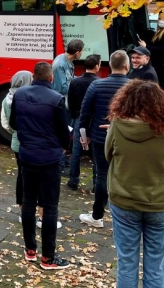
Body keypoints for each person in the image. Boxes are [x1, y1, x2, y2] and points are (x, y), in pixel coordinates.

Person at [106, 79, 164, 288]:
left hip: (124, 201)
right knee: (156, 267)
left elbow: (107, 154)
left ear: (126, 100)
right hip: (161, 202)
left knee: (127, 262)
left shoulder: (117, 125)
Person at [9, 62, 72, 270]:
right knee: (50, 206)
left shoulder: (19, 95)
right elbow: (64, 132)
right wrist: (65, 147)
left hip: (27, 155)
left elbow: (14, 124)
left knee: (28, 202)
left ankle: (30, 250)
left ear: (33, 76)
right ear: (51, 78)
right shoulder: (56, 99)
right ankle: (48, 258)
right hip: (50, 158)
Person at [78, 49, 130, 228]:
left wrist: (84, 137)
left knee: (102, 175)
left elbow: (85, 114)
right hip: (127, 138)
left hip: (101, 137)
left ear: (109, 66)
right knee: (124, 176)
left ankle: (97, 216)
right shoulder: (134, 87)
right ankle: (125, 218)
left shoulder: (96, 86)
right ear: (126, 66)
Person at [0, 70, 33, 221]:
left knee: (21, 175)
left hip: (17, 143)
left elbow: (5, 123)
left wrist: (14, 133)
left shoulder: (7, 98)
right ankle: (35, 212)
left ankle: (22, 210)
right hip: (30, 144)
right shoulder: (29, 99)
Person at [66, 54, 101, 190]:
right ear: (97, 66)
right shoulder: (99, 82)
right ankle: (95, 184)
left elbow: (71, 103)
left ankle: (73, 180)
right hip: (94, 120)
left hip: (79, 119)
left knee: (76, 151)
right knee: (96, 153)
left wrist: (76, 116)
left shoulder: (75, 82)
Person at [52, 39, 84, 173]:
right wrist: (76, 85)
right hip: (63, 104)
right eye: (81, 51)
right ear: (77, 52)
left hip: (66, 103)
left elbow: (69, 79)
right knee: (63, 132)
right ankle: (60, 162)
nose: (81, 54)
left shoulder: (66, 60)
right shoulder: (60, 65)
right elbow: (62, 88)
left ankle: (62, 161)